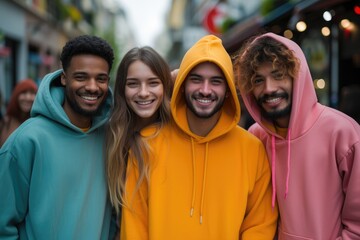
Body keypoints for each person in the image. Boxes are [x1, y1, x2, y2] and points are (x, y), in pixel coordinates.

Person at [121, 35, 278, 239]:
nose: (205, 90)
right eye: (196, 79)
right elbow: (134, 224)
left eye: (216, 81)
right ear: (183, 84)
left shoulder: (251, 149)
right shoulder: (147, 142)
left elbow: (260, 225)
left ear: (229, 90)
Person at [235, 32, 360, 239]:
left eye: (278, 75)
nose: (269, 89)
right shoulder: (256, 137)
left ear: (297, 75)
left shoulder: (343, 133)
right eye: (258, 80)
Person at [0, 35, 115, 239]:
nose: (92, 86)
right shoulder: (26, 140)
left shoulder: (112, 138)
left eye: (101, 78)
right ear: (64, 77)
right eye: (81, 77)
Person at [105, 46, 172, 234]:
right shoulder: (112, 134)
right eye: (133, 84)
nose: (143, 92)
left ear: (165, 85)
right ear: (121, 88)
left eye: (153, 83)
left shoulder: (177, 132)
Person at [0, 79, 38, 147]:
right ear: (16, 96)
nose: (28, 97)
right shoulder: (5, 122)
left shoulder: (38, 123)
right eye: (24, 93)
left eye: (32, 93)